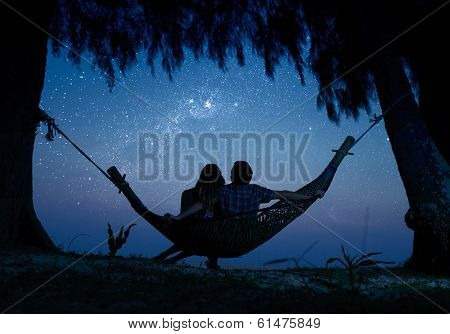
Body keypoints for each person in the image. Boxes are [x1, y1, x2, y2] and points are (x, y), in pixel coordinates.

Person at [170, 161, 324, 269]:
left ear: (232, 177)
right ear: (249, 177)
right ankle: (212, 262)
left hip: (224, 233)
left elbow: (201, 204)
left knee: (207, 217)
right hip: (249, 233)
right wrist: (308, 197)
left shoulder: (223, 191)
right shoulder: (256, 190)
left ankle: (208, 259)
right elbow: (284, 194)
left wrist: (179, 217)